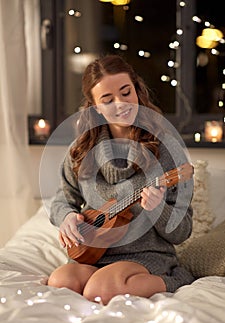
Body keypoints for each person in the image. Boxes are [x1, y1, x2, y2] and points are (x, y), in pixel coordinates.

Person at [47, 54, 194, 305]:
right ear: (95, 107)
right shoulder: (81, 150)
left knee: (99, 291)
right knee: (61, 283)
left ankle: (176, 279)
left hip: (146, 254)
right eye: (108, 99)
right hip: (94, 254)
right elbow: (63, 199)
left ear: (137, 90)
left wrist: (158, 208)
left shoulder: (166, 149)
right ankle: (99, 278)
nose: (121, 104)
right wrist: (67, 217)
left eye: (126, 92)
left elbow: (182, 231)